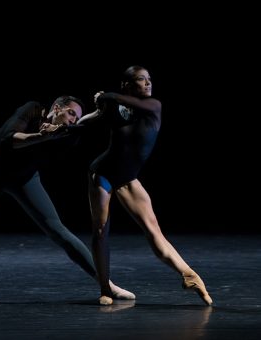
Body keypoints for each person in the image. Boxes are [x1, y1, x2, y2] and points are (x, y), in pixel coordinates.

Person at [0, 95, 135, 303]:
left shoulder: (68, 135)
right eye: (71, 113)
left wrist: (98, 114)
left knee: (57, 230)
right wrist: (41, 135)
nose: (73, 120)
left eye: (76, 117)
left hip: (24, 179)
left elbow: (79, 128)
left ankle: (107, 284)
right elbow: (6, 140)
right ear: (56, 108)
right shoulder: (32, 110)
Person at [77, 66, 213, 306]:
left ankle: (189, 275)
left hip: (128, 179)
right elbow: (90, 119)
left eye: (149, 79)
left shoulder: (153, 107)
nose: (148, 83)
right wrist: (76, 122)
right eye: (141, 80)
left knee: (154, 231)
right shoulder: (116, 108)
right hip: (103, 174)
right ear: (127, 85)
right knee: (100, 230)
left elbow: (112, 97)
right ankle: (105, 288)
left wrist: (105, 96)